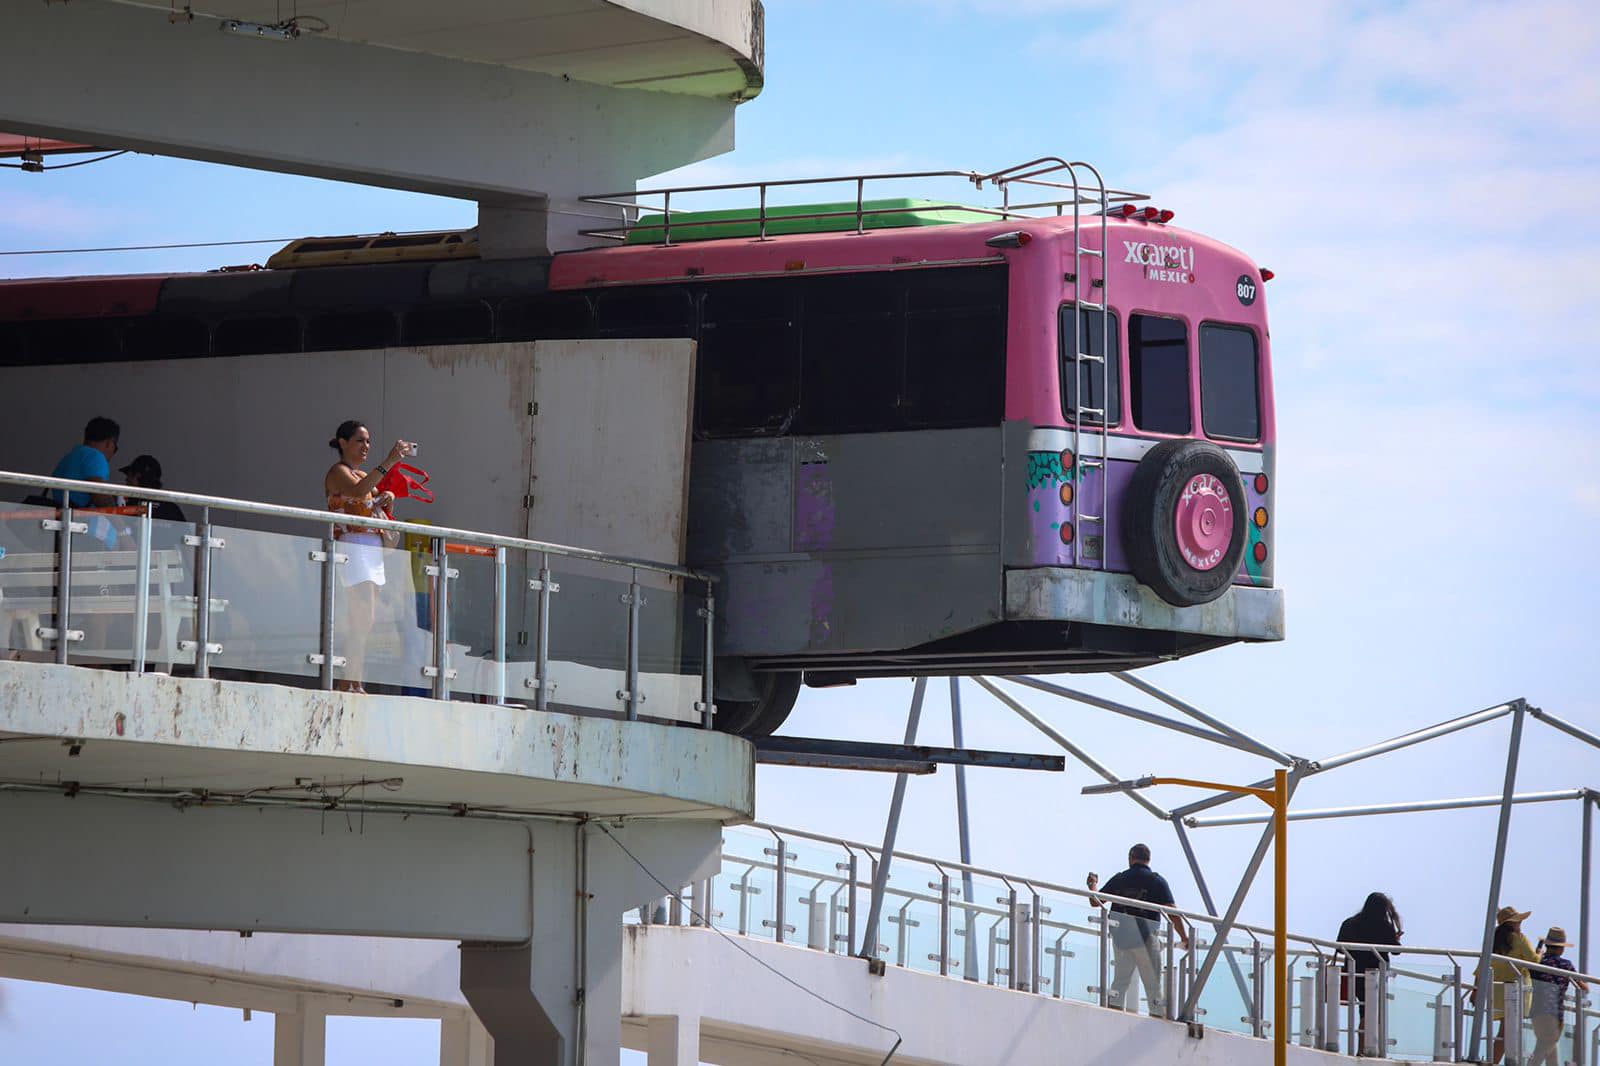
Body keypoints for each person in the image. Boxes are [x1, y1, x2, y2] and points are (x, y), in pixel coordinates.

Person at [324, 421, 411, 694]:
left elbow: (368, 494)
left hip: (371, 550)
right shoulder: (338, 472)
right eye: (360, 440)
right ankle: (348, 683)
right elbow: (358, 491)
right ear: (343, 443)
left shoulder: (362, 473)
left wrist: (387, 498)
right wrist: (390, 461)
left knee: (365, 621)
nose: (366, 446)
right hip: (353, 546)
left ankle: (354, 681)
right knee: (360, 618)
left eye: (368, 441)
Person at [1087, 843, 1190, 1017]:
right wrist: (1184, 937)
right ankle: (1157, 1019)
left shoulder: (1120, 878)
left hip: (1122, 939)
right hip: (1146, 939)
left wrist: (1093, 885)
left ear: (1130, 858)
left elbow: (1095, 901)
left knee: (1120, 983)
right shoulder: (1157, 881)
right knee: (1153, 986)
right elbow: (1172, 912)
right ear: (1148, 859)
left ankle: (1111, 1017)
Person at [1472, 905, 1540, 1064]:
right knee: (1508, 1031)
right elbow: (1534, 961)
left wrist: (1476, 990)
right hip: (1515, 991)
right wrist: (1540, 953)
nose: (1520, 924)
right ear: (1511, 923)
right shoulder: (1520, 939)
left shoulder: (1492, 940)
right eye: (1518, 921)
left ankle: (1496, 1061)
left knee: (1505, 1030)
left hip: (1496, 990)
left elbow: (1481, 968)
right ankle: (1495, 1062)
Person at [1336, 892, 1403, 1050]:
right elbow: (1396, 951)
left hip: (1354, 973)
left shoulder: (1350, 923)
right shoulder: (1384, 926)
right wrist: (1396, 939)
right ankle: (1366, 1048)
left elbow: (1339, 948)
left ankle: (1363, 1047)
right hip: (1375, 974)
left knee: (1364, 1009)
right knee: (1371, 1011)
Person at [49, 416, 122, 548]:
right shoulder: (96, 457)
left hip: (63, 530)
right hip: (84, 534)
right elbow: (102, 498)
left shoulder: (70, 457)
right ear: (109, 443)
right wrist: (124, 532)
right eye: (115, 448)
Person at [1529, 925, 1587, 1066]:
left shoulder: (1538, 962)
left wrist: (1538, 954)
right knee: (1545, 1045)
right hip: (1554, 1013)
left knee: (1549, 1048)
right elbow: (1584, 987)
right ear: (1561, 948)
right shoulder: (1565, 965)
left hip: (1536, 1012)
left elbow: (1533, 969)